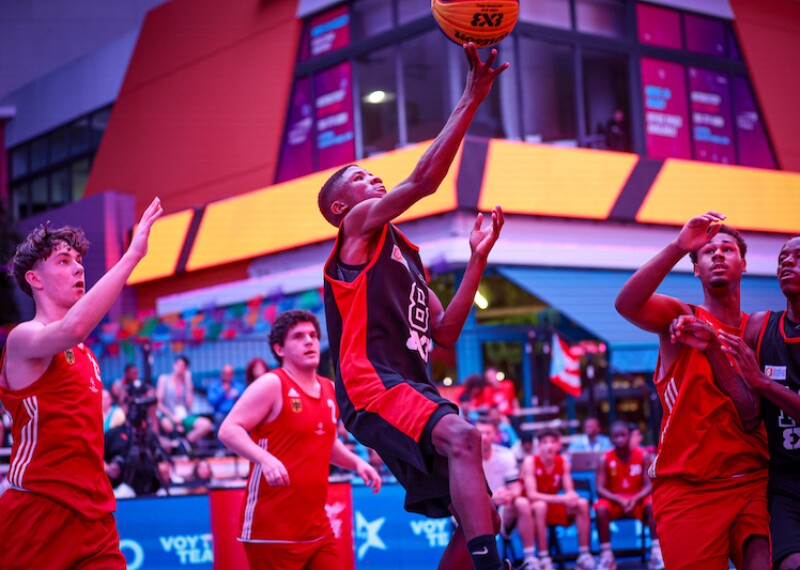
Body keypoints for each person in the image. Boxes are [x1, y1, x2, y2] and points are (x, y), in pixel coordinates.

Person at [320, 43, 509, 570]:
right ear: (341, 207)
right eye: (359, 177)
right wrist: (471, 97)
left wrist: (477, 258)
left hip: (409, 386)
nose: (372, 178)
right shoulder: (356, 232)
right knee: (464, 437)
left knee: (484, 516)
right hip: (370, 383)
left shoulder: (405, 252)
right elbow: (425, 180)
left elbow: (446, 334)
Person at [0, 198, 162, 568]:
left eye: (78, 260)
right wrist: (132, 256)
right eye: (63, 260)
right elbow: (74, 327)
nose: (77, 268)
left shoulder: (86, 354)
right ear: (34, 279)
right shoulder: (25, 338)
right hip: (38, 511)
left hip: (95, 517)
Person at [615, 211, 770, 569]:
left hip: (754, 482)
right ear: (696, 269)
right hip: (689, 488)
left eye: (727, 249)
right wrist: (678, 246)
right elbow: (626, 304)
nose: (717, 254)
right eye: (707, 251)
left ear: (743, 264)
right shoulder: (681, 316)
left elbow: (752, 413)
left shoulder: (760, 328)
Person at [218, 309, 381, 570]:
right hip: (271, 531)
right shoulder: (271, 384)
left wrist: (357, 463)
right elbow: (229, 430)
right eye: (299, 337)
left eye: (314, 336)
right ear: (279, 349)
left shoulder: (329, 388)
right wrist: (265, 459)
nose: (309, 341)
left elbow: (326, 442)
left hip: (317, 528)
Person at [716, 234, 800, 570]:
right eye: (782, 258)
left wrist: (763, 383)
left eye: (797, 257)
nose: (786, 263)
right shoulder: (758, 325)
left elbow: (757, 383)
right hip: (784, 480)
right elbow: (748, 413)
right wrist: (705, 343)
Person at [521, 428, 595, 570]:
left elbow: (569, 491)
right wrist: (563, 498)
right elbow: (531, 495)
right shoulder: (530, 461)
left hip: (553, 505)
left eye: (553, 442)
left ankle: (584, 555)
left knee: (582, 503)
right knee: (540, 505)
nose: (549, 446)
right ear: (538, 446)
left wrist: (572, 496)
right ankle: (544, 558)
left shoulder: (563, 461)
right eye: (545, 442)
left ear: (559, 445)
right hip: (532, 509)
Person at [594, 421, 662, 570]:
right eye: (616, 436)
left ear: (629, 436)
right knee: (600, 508)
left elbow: (650, 484)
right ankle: (607, 556)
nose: (620, 439)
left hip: (637, 500)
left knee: (652, 503)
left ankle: (656, 552)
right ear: (611, 439)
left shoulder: (643, 455)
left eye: (623, 435)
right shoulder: (604, 458)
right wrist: (619, 500)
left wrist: (634, 499)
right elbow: (599, 488)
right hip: (615, 501)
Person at [476, 417, 538, 570]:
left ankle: (531, 560)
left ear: (495, 434)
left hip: (502, 510)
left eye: (488, 432)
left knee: (522, 503)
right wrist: (490, 499)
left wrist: (509, 495)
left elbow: (515, 487)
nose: (483, 437)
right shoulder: (466, 457)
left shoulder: (506, 455)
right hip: (475, 510)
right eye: (480, 432)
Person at [156, 355, 213, 451]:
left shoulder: (187, 383)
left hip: (184, 415)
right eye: (178, 365)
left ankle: (186, 442)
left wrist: (188, 382)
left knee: (206, 425)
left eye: (182, 366)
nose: (179, 368)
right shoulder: (164, 379)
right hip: (168, 414)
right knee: (167, 424)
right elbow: (158, 403)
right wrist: (172, 416)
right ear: (174, 365)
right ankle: (174, 444)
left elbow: (189, 403)